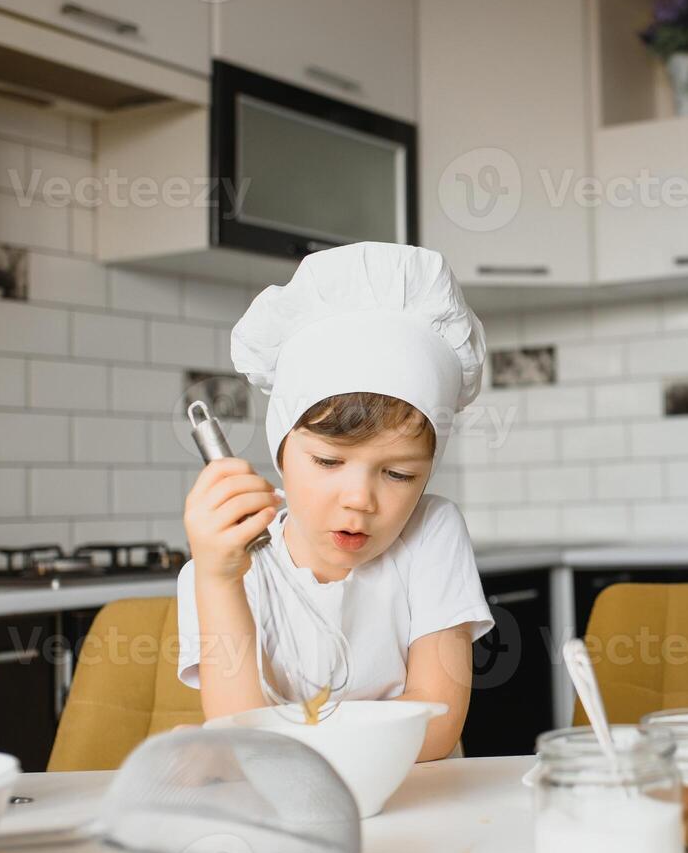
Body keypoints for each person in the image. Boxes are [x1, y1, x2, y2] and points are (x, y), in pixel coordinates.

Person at [176, 242, 495, 762]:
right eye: (328, 463)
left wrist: (297, 745)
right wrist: (218, 580)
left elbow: (436, 726)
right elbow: (239, 732)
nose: (359, 500)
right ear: (281, 451)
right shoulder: (222, 569)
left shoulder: (432, 530)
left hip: (423, 799)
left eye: (398, 473)